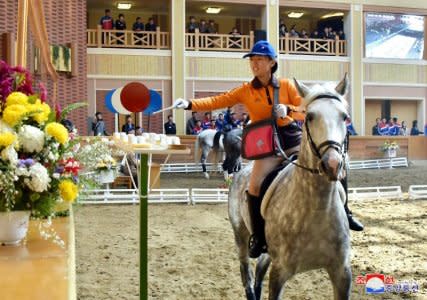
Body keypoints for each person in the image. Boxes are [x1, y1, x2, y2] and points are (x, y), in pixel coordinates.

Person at [173, 40, 363, 258]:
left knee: (339, 163)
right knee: (253, 186)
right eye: (252, 60)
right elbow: (218, 100)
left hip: (293, 139)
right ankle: (260, 237)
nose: (254, 64)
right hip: (266, 144)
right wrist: (189, 104)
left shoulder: (287, 86)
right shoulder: (245, 90)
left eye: (260, 59)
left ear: (272, 63)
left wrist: (289, 110)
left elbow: (306, 112)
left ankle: (346, 212)